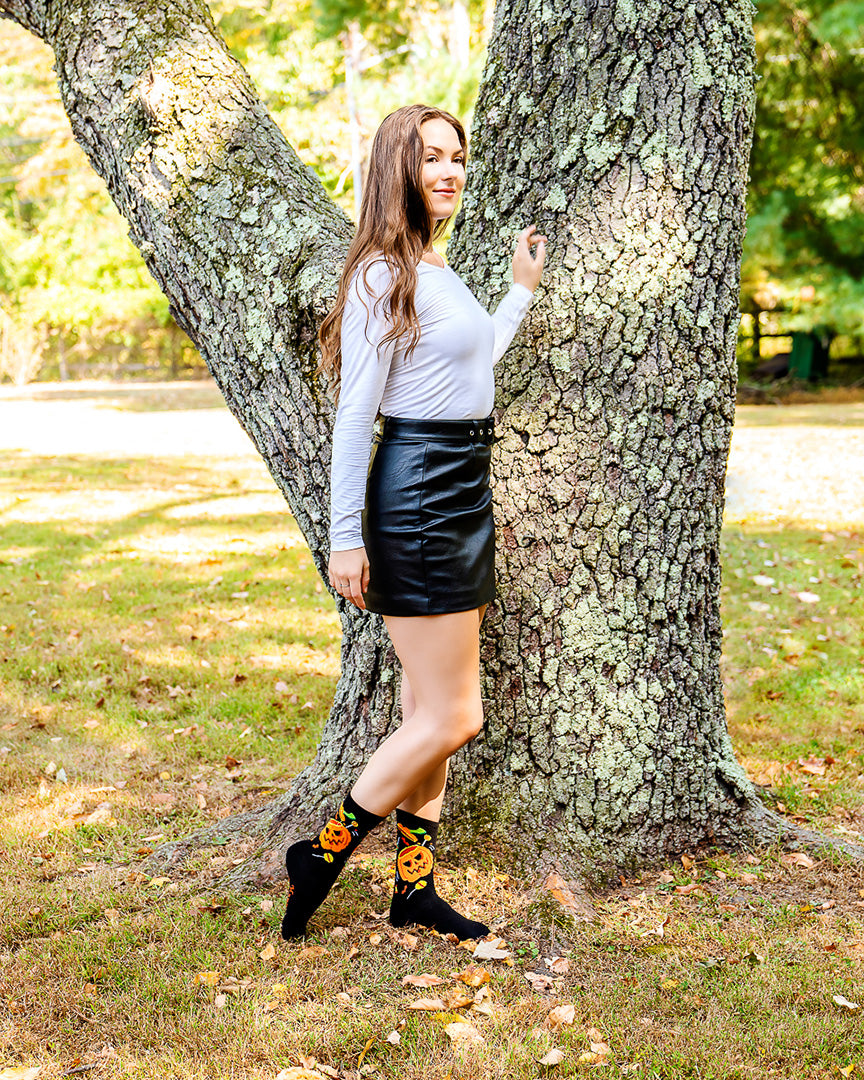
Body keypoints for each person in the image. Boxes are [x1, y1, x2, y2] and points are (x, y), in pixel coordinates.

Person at [281, 103, 546, 941]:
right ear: (398, 166)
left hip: (460, 482)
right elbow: (355, 414)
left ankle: (413, 889)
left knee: (428, 712)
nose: (449, 171)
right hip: (421, 492)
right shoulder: (378, 275)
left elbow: (470, 368)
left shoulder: (433, 264)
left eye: (457, 156)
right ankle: (320, 855)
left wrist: (518, 296)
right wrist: (344, 537)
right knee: (456, 717)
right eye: (431, 156)